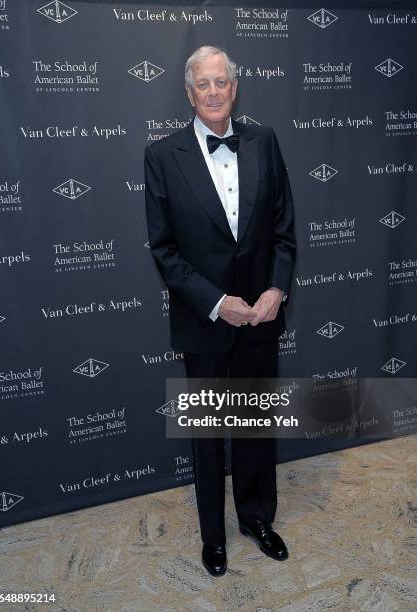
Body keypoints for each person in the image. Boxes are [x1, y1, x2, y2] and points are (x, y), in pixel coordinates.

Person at [145, 45, 296, 576]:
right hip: (204, 322)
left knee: (255, 425)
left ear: (235, 89)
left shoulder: (265, 141)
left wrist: (276, 291)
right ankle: (214, 537)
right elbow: (163, 250)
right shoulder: (162, 156)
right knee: (209, 436)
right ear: (190, 94)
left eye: (221, 83)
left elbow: (283, 230)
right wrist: (215, 303)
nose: (212, 92)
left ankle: (256, 517)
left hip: (260, 317)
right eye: (202, 85)